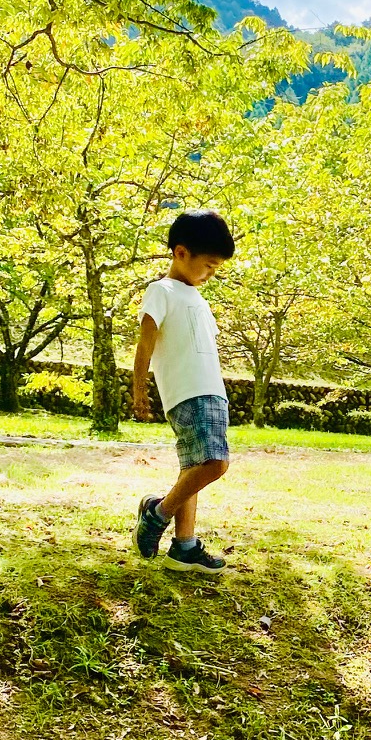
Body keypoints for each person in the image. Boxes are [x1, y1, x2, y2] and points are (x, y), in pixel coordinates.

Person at [132, 210, 235, 572]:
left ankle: (185, 546)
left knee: (194, 466)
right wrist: (139, 389)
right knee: (215, 463)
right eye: (207, 265)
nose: (210, 274)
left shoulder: (198, 299)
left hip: (211, 390)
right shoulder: (160, 290)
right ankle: (156, 514)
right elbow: (145, 343)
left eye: (216, 268)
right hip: (187, 391)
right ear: (180, 253)